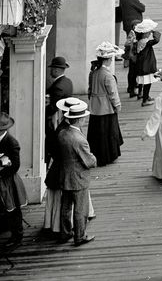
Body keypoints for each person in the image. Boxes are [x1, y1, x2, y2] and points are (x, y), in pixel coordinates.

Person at [47, 97, 96, 246]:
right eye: (84, 118)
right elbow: (90, 161)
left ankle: (65, 233)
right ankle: (79, 236)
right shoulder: (78, 139)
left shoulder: (63, 133)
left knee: (66, 206)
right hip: (78, 177)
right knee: (80, 209)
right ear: (80, 120)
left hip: (65, 175)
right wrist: (93, 158)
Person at [0, 114, 28, 244]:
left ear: (3, 130)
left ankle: (17, 235)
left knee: (13, 208)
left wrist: (1, 173)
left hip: (8, 181)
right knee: (1, 207)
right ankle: (4, 228)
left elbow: (15, 165)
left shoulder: (12, 143)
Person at [86, 42, 124, 165]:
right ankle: (108, 156)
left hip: (95, 107)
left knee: (96, 132)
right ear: (107, 60)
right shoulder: (108, 75)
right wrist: (117, 106)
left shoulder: (93, 73)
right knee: (108, 132)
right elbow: (113, 93)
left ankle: (97, 155)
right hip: (106, 107)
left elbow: (90, 89)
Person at [127, 19, 160, 104]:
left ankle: (143, 96)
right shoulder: (146, 42)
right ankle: (145, 100)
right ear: (145, 33)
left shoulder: (138, 41)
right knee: (147, 83)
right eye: (148, 32)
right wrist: (154, 31)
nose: (149, 33)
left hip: (142, 66)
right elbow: (156, 40)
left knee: (144, 82)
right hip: (147, 66)